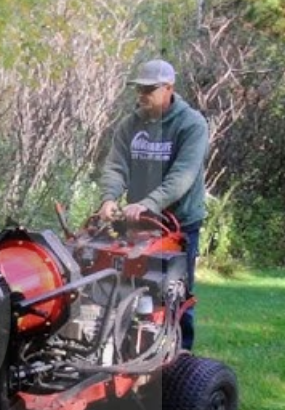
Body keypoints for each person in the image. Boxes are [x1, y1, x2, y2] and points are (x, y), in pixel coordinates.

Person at [97, 59, 209, 351]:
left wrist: (149, 203)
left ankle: (181, 357)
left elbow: (182, 176)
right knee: (130, 285)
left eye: (149, 90)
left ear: (169, 88)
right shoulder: (130, 124)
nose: (142, 96)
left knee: (175, 292)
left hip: (179, 224)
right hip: (139, 223)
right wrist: (109, 197)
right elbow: (116, 167)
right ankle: (130, 350)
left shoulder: (191, 124)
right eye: (139, 89)